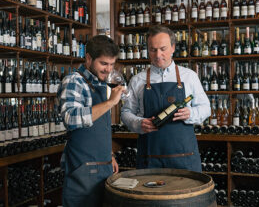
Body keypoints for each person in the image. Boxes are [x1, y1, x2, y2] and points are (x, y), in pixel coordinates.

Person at [121, 25, 211, 172]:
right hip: (149, 158)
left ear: (173, 47)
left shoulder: (189, 76)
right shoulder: (138, 80)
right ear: (148, 50)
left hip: (184, 157)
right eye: (153, 49)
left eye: (163, 49)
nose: (158, 55)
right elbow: (126, 112)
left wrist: (190, 113)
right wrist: (138, 123)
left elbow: (206, 108)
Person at [57, 35, 124, 206]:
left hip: (104, 168)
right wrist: (110, 103)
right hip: (82, 172)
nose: (108, 69)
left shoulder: (100, 84)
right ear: (88, 58)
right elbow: (70, 118)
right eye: (103, 64)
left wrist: (108, 154)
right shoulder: (74, 81)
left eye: (111, 64)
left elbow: (99, 127)